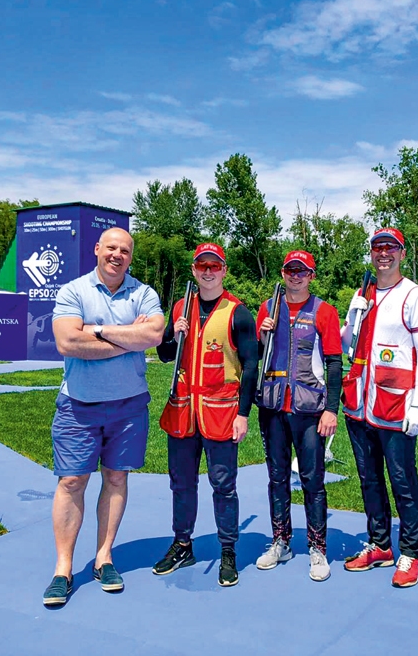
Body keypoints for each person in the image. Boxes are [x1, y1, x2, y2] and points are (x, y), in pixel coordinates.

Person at [42, 227, 165, 605]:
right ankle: (63, 569)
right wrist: (128, 337)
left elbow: (155, 335)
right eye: (111, 248)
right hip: (79, 405)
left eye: (124, 250)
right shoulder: (73, 291)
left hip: (129, 407)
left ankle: (103, 557)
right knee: (72, 482)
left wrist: (96, 332)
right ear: (97, 250)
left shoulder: (144, 293)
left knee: (115, 478)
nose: (117, 255)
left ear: (131, 256)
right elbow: (67, 342)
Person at [153, 243, 259, 587]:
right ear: (194, 270)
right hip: (183, 411)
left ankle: (228, 552)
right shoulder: (182, 306)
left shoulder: (238, 313)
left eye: (215, 266)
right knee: (181, 484)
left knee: (224, 486)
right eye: (202, 266)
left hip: (221, 413)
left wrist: (243, 414)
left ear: (224, 270)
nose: (208, 271)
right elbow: (166, 355)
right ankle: (183, 544)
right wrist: (174, 333)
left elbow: (251, 366)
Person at [340, 227, 418, 588]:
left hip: (396, 407)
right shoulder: (362, 293)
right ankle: (380, 544)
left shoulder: (415, 296)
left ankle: (412, 553)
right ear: (371, 253)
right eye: (378, 248)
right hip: (360, 404)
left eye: (391, 248)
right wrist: (351, 317)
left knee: (403, 481)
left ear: (402, 253)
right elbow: (347, 342)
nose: (384, 254)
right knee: (369, 480)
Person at [254, 250, 343, 582]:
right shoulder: (268, 308)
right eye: (290, 270)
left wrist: (331, 409)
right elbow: (256, 356)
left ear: (311, 275)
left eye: (302, 271)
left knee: (312, 480)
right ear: (283, 273)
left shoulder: (325, 312)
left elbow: (334, 363)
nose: (295, 276)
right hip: (274, 406)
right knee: (277, 479)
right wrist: (263, 336)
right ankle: (281, 541)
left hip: (309, 409)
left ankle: (317, 548)